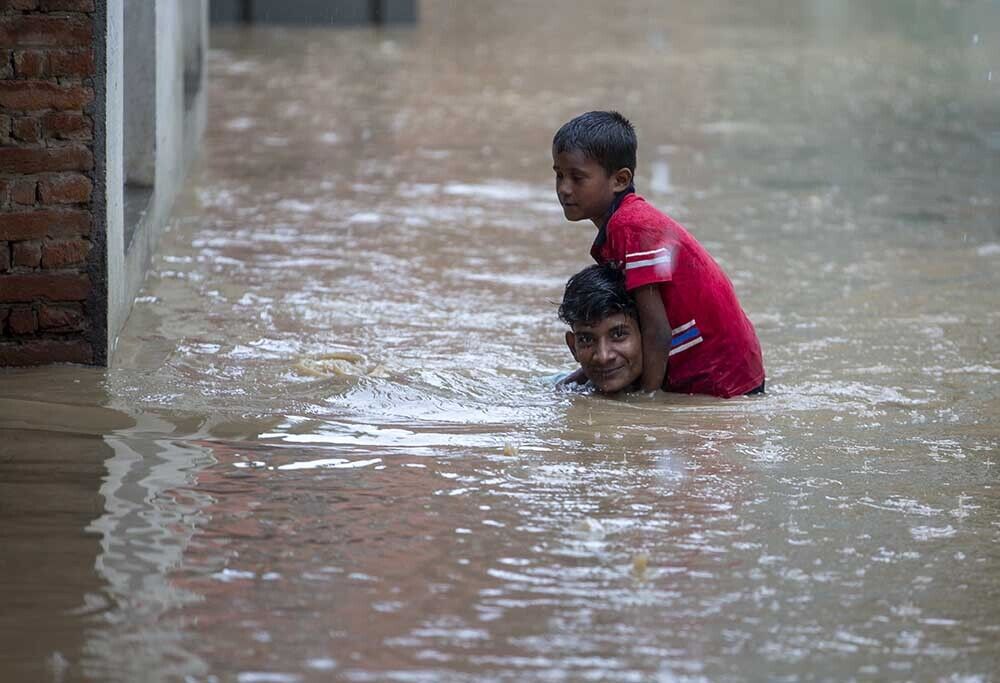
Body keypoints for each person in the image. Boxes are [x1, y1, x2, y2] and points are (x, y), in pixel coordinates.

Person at [553, 110, 765, 398]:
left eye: (577, 178)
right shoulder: (624, 226)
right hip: (726, 365)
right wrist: (579, 377)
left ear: (620, 180)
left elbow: (656, 330)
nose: (564, 189)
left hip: (719, 376)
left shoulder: (631, 227)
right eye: (559, 175)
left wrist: (647, 400)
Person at [558, 264, 643, 394]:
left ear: (646, 335)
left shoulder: (682, 390)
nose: (603, 357)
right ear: (573, 347)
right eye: (586, 339)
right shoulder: (565, 389)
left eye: (618, 335)